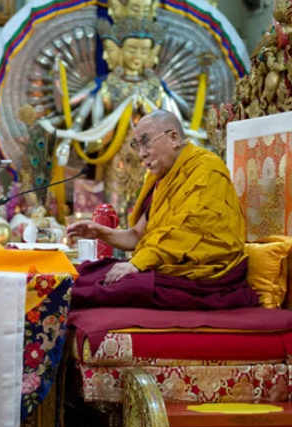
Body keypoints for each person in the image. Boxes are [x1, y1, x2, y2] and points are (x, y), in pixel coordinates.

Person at [66, 110, 257, 310]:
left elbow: (191, 231)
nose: (141, 154)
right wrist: (99, 232)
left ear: (174, 138)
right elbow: (136, 236)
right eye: (137, 145)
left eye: (146, 142)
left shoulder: (207, 169)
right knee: (88, 273)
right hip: (168, 266)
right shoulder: (161, 178)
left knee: (120, 286)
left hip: (204, 275)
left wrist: (137, 264)